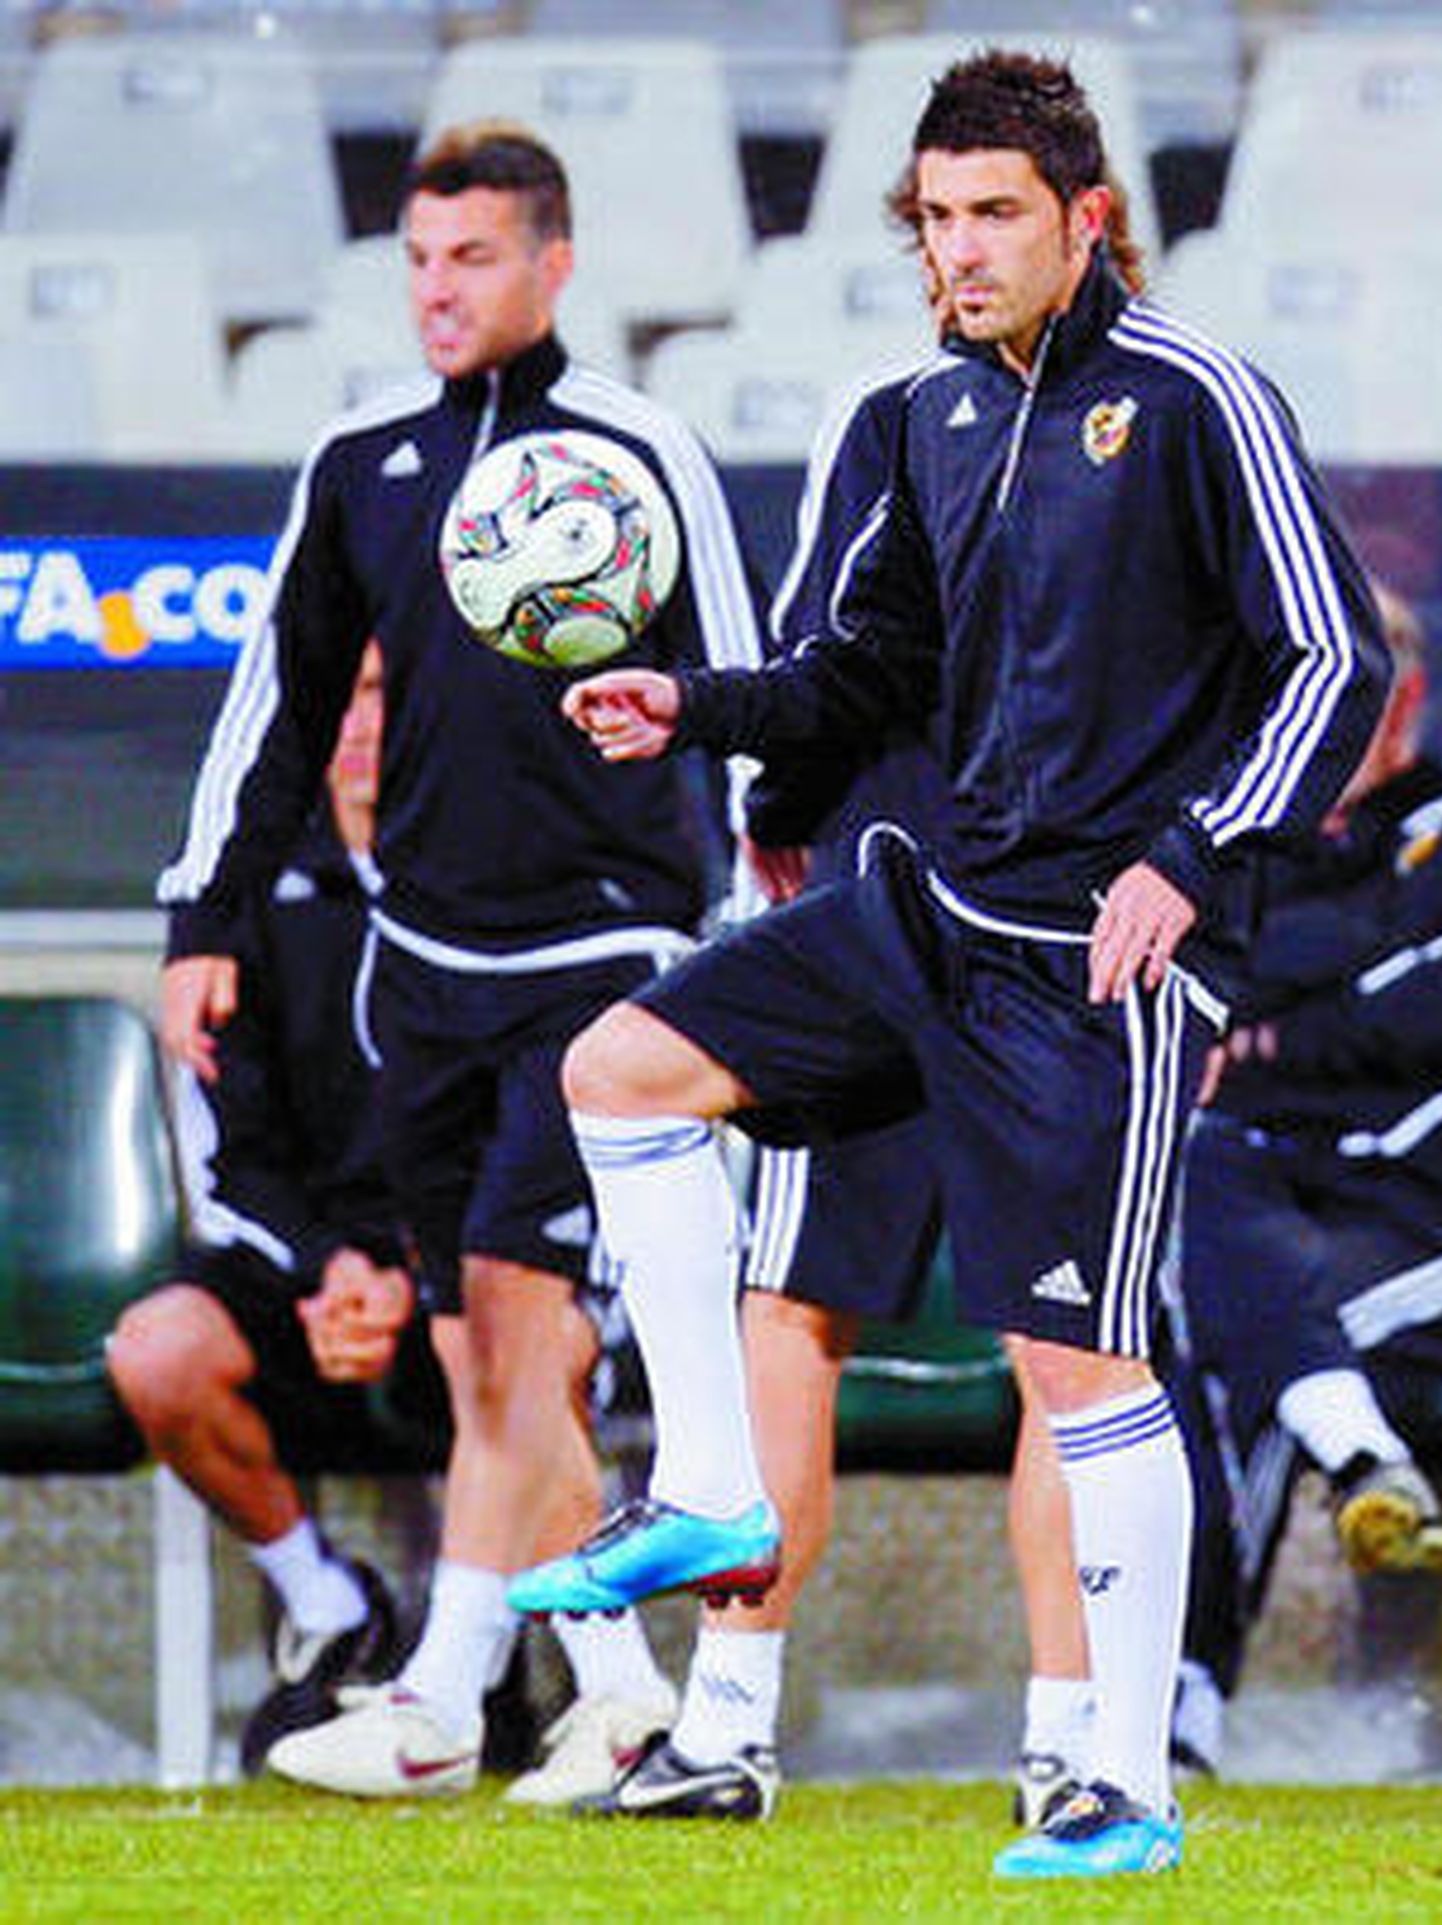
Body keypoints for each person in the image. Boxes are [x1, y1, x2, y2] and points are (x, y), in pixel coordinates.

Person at [511, 49, 1391, 1880]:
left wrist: (1189, 858)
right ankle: (706, 1484)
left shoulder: (1200, 398)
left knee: (1079, 1362)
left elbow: (1331, 664)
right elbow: (860, 675)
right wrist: (694, 703)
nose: (961, 250)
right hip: (935, 898)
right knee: (622, 1069)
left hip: (1096, 950)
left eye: (996, 215)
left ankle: (1119, 1786)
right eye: (935, 218)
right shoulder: (928, 418)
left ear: (1086, 220)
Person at [155, 119, 764, 1801]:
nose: (441, 289)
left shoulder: (642, 448)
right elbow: (274, 708)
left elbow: (749, 687)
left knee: (521, 1323)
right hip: (418, 964)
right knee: (470, 1348)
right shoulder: (360, 462)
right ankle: (621, 1689)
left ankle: (439, 1692)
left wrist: (787, 907)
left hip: (607, 964)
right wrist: (206, 922)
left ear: (554, 264)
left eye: (475, 256)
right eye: (421, 259)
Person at [579, 342, 1097, 1828]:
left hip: (894, 918)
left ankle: (731, 1726)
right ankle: (1071, 1745)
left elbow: (830, 653)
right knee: (1064, 1350)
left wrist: (779, 809)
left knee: (797, 1317)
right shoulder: (1182, 421)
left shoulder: (892, 414)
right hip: (1063, 944)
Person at [1163, 584, 1442, 1776]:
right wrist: (1368, 979)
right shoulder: (1228, 857)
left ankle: (1185, 1696)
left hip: (1432, 1229)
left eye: (1355, 687)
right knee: (1200, 1264)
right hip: (1249, 1195)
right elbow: (1186, 1005)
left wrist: (1281, 1031)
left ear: (1402, 697)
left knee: (1265, 1334)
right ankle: (1343, 1456)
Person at [110, 644, 431, 1775]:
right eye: (332, 698)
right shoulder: (237, 889)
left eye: (381, 695)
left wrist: (407, 1271)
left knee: (533, 1336)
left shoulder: (498, 875)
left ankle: (523, 1665)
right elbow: (228, 1148)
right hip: (301, 1265)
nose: (354, 724)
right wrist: (332, 1268)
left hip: (462, 1265)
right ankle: (332, 1604)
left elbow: (530, 1130)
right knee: (157, 1352)